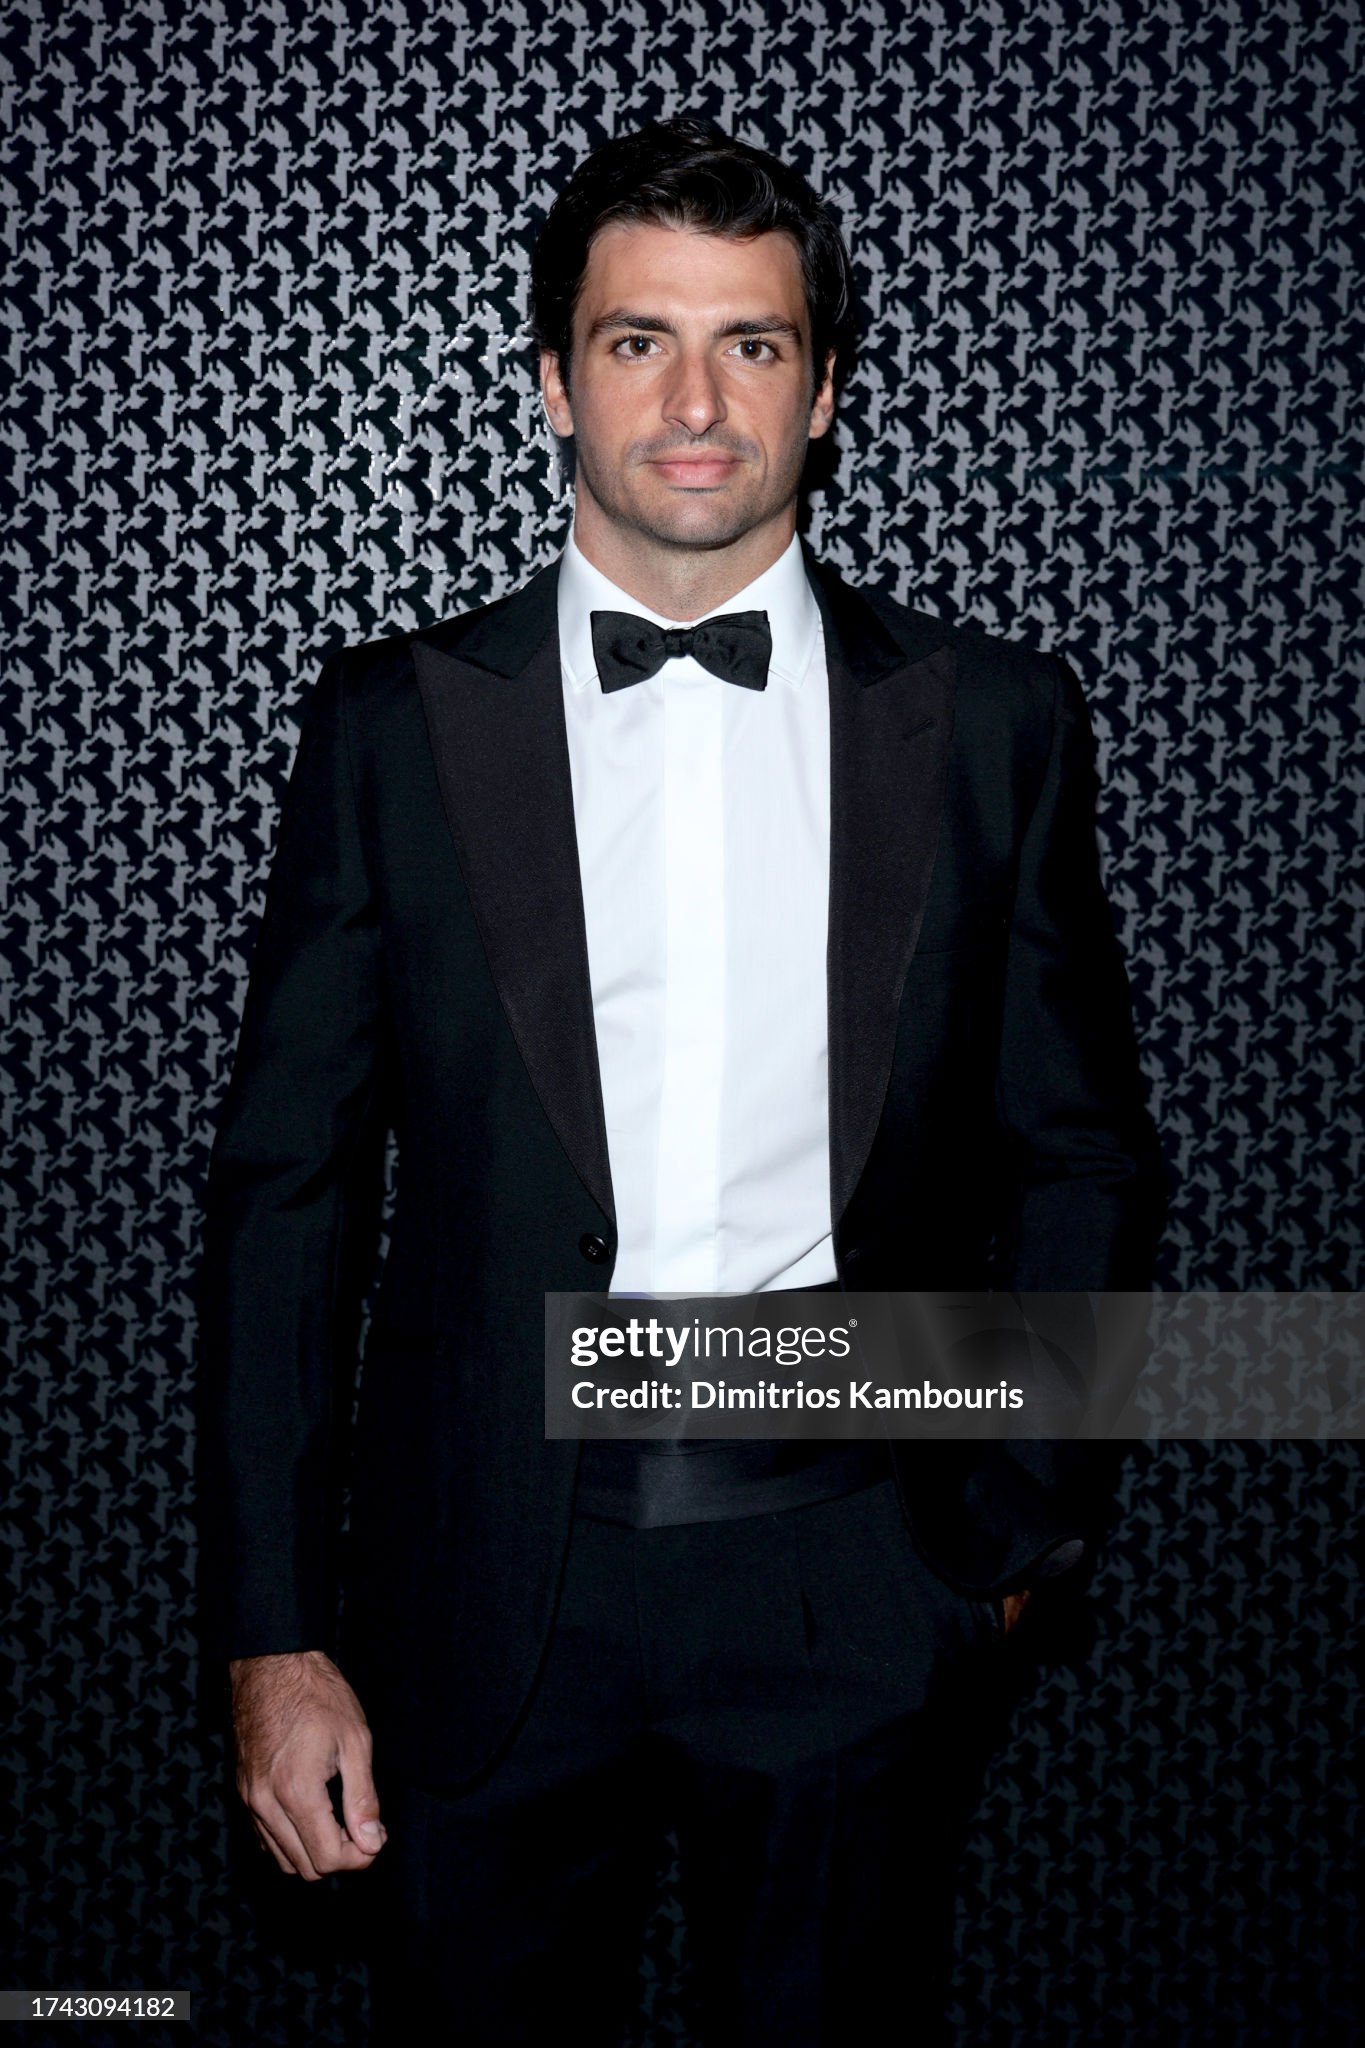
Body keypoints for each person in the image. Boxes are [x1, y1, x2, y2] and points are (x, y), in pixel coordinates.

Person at [195, 116, 1166, 2045]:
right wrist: (272, 1637)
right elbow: (284, 1204)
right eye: (641, 341)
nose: (699, 400)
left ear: (822, 392)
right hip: (480, 1587)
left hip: (850, 1577)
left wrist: (1006, 1538)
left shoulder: (989, 721)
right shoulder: (395, 726)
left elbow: (1082, 1155)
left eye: (755, 343)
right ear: (556, 380)